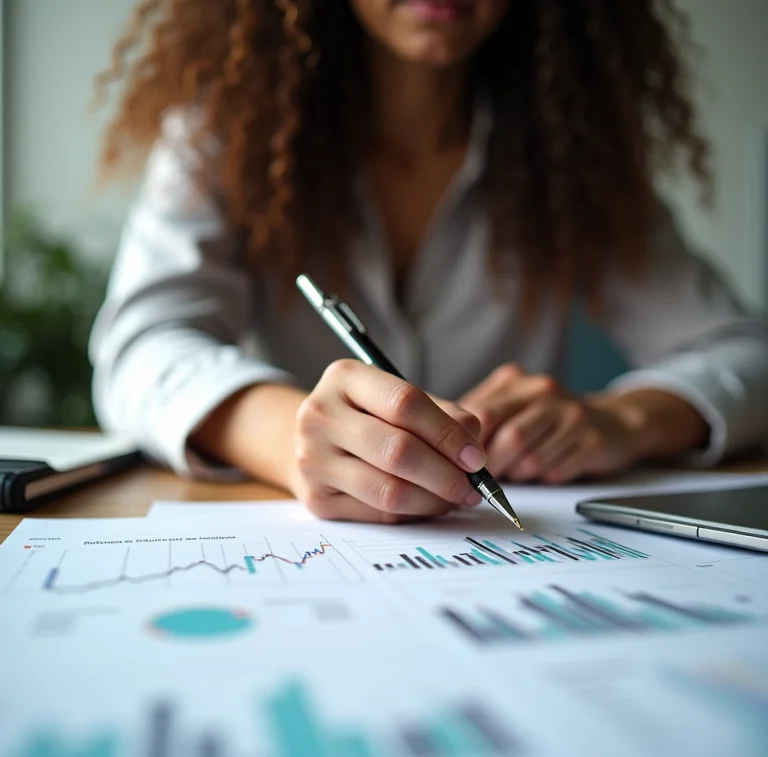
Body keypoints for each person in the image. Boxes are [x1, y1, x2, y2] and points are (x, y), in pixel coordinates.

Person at [90, 0, 768, 524]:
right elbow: (139, 348)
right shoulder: (226, 135)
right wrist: (289, 435)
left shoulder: (577, 156)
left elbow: (747, 354)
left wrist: (623, 421)